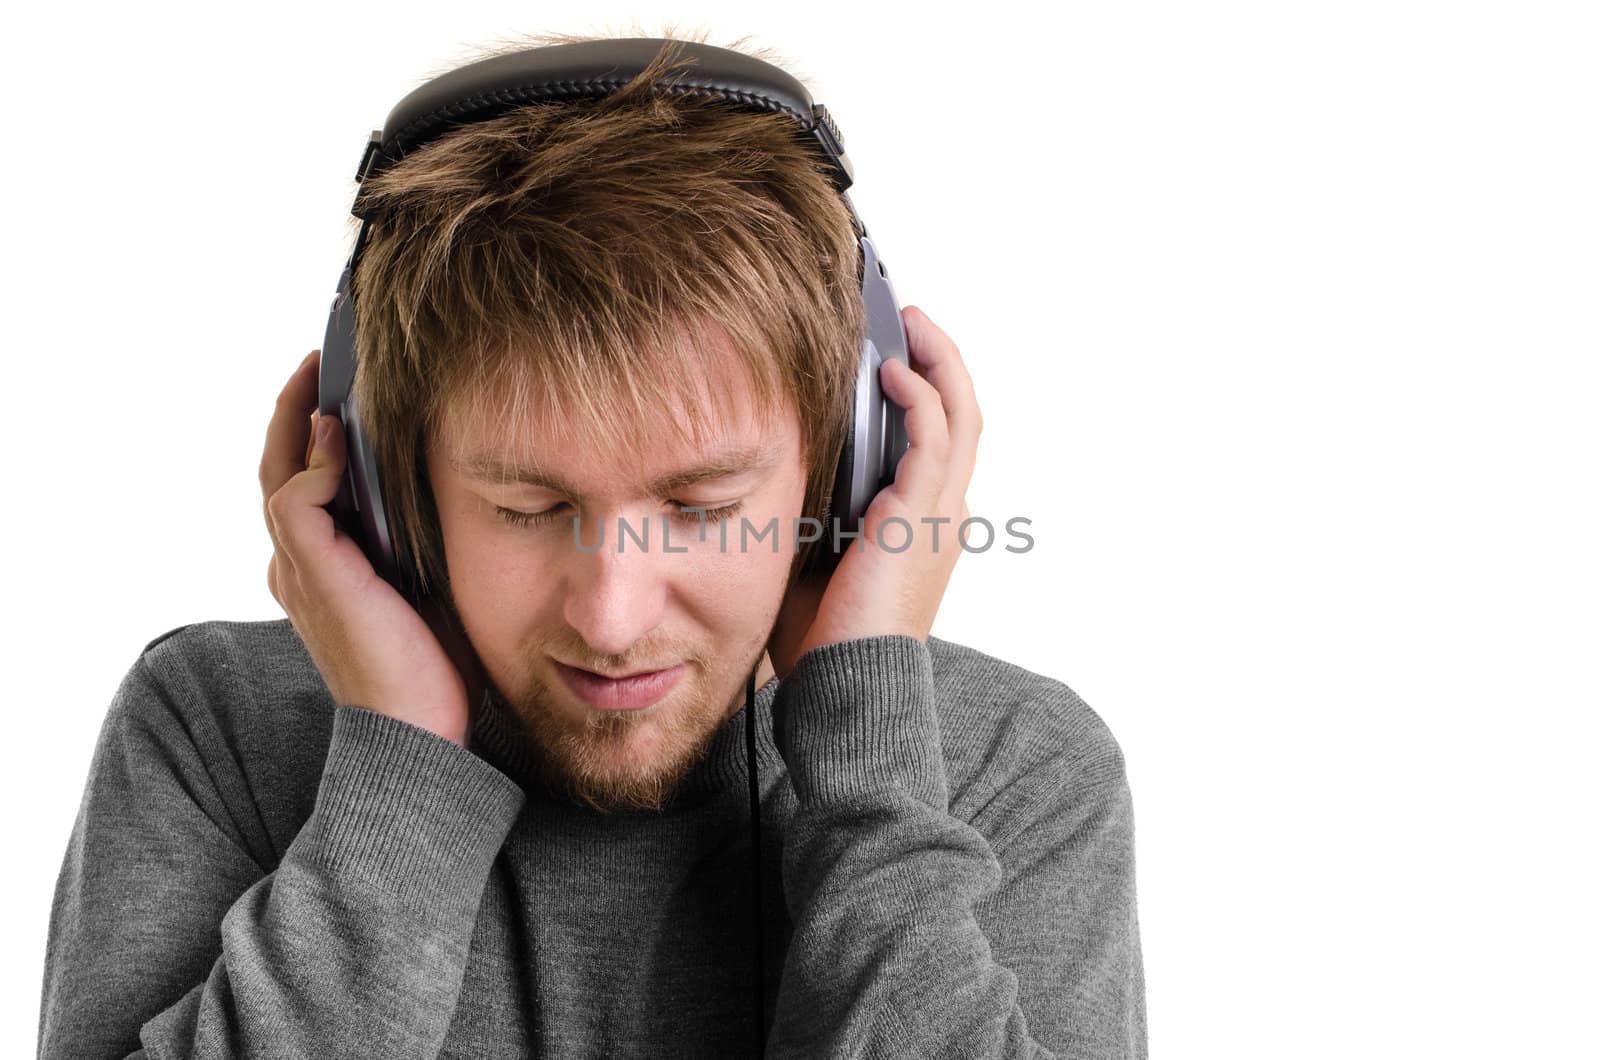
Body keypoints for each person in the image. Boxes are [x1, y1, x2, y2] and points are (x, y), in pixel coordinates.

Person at [37, 31, 1147, 1059]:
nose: (610, 620)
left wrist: (868, 779)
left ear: (848, 463)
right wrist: (401, 763)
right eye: (525, 508)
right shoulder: (215, 728)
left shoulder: (1013, 765)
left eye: (704, 505)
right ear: (390, 486)